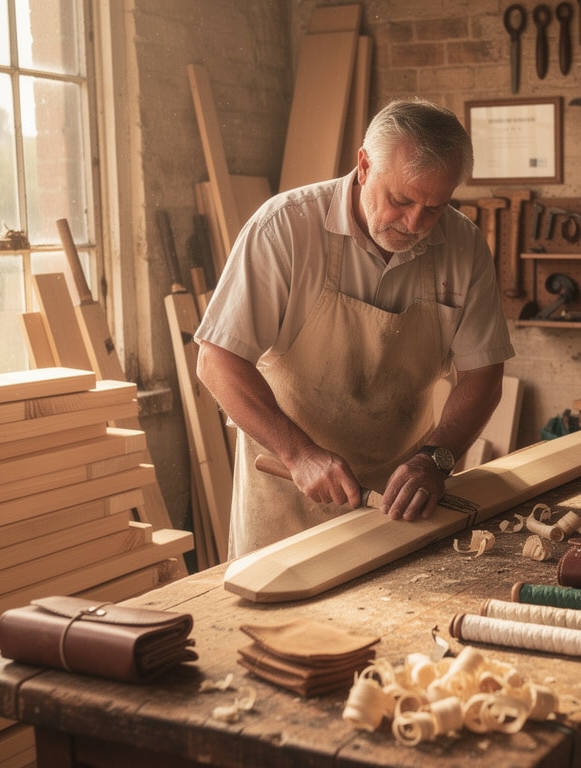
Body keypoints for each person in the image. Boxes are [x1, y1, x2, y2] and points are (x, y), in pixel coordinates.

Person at [195, 98, 515, 558]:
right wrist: (299, 453)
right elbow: (217, 360)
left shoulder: (463, 245)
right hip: (290, 495)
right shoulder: (284, 229)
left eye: (435, 207)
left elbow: (483, 374)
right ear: (364, 166)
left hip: (402, 502)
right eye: (401, 200)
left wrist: (436, 459)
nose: (415, 223)